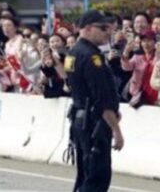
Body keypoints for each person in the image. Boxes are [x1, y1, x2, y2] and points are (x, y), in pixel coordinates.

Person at [66, 10, 124, 192]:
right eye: (103, 28)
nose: (108, 32)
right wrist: (116, 130)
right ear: (88, 28)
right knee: (97, 178)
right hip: (93, 123)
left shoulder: (73, 53)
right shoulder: (92, 57)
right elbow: (102, 99)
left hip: (80, 119)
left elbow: (71, 83)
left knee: (85, 175)